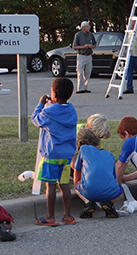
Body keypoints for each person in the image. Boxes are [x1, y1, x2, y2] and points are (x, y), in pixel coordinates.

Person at [31, 77, 78, 226]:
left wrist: (41, 104)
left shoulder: (48, 112)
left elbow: (36, 119)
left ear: (54, 94)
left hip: (51, 155)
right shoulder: (71, 110)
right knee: (64, 185)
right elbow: (59, 113)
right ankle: (68, 215)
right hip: (67, 156)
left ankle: (50, 216)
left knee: (50, 185)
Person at [72, 128, 124, 219]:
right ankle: (107, 203)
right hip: (110, 191)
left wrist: (76, 184)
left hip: (89, 191)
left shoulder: (83, 149)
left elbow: (77, 170)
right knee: (121, 194)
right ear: (98, 142)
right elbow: (113, 176)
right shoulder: (109, 154)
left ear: (79, 144)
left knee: (77, 187)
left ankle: (88, 203)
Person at [73, 21, 96, 94]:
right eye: (87, 26)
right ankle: (80, 88)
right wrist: (83, 47)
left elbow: (95, 45)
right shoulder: (78, 35)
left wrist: (91, 46)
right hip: (81, 55)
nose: (88, 28)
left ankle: (85, 87)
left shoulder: (91, 35)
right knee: (80, 72)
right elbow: (74, 46)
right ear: (83, 27)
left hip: (89, 55)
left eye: (89, 26)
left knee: (88, 71)